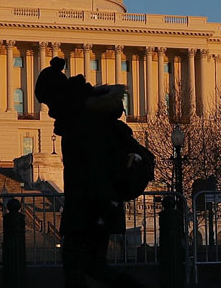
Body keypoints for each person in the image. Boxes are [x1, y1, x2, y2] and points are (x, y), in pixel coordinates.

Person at [34, 57, 146, 288]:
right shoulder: (81, 118)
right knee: (94, 267)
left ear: (57, 96)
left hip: (90, 210)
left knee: (76, 271)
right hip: (91, 208)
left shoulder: (82, 122)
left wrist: (100, 210)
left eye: (47, 102)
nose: (48, 110)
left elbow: (95, 168)